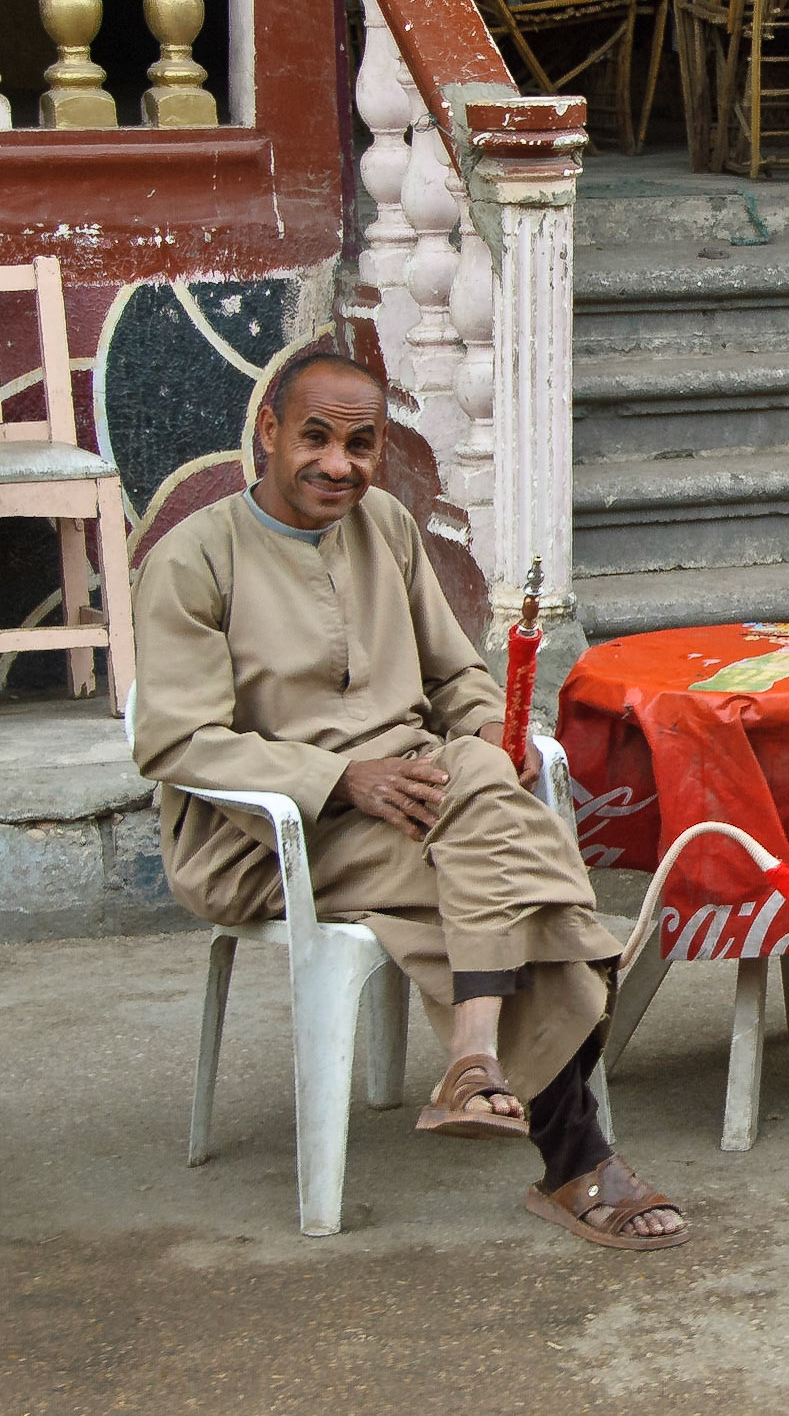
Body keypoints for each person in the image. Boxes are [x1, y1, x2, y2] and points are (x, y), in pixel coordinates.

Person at [131, 352, 687, 1249]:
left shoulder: (385, 525)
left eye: (361, 444)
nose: (338, 464)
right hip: (268, 835)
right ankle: (571, 1151)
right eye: (315, 436)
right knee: (526, 872)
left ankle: (488, 1074)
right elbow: (178, 740)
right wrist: (339, 778)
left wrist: (492, 738)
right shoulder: (194, 559)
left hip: (425, 804)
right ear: (269, 431)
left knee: (483, 799)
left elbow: (456, 674)